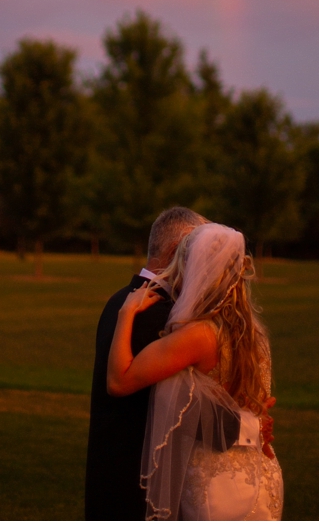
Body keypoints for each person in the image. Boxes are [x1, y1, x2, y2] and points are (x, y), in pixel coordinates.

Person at [107, 222, 282, 521]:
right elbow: (257, 405)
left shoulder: (199, 335)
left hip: (218, 482)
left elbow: (119, 381)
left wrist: (126, 314)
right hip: (262, 471)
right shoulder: (255, 334)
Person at [85, 207, 207, 521]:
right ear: (175, 252)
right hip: (138, 481)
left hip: (110, 470)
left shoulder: (122, 298)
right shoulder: (157, 314)